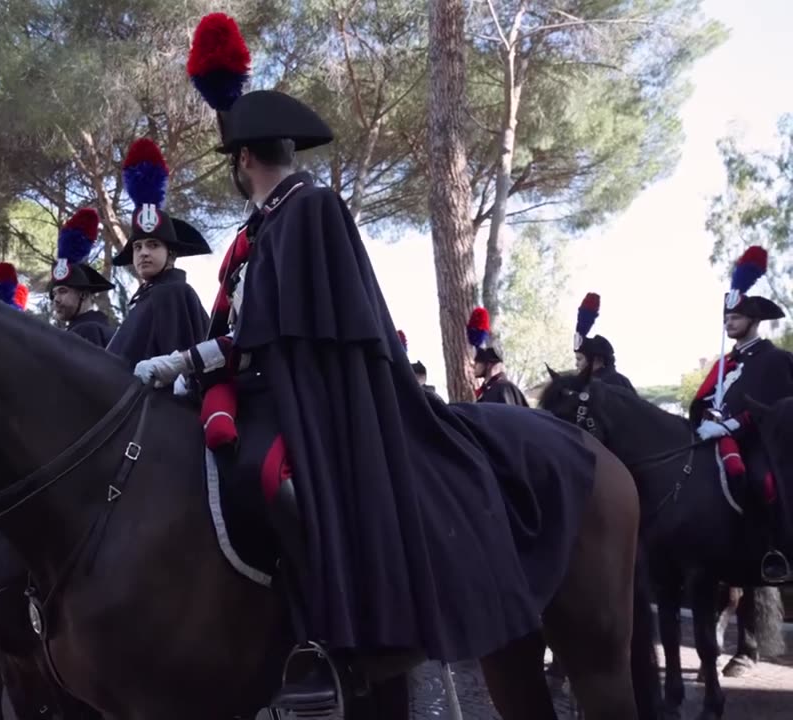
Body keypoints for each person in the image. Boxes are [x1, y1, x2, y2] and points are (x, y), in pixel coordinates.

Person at [137, 14, 578, 710]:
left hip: (313, 396)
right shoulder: (265, 223)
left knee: (269, 473)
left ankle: (325, 638)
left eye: (234, 162)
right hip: (265, 388)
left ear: (246, 160)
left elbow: (268, 330)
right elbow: (247, 324)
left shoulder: (309, 210)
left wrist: (180, 358)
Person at [688, 246, 793, 582]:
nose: (728, 324)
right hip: (713, 439)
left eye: (734, 318)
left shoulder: (774, 359)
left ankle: (774, 551)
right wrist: (707, 418)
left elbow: (776, 407)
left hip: (757, 442)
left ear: (753, 320)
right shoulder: (724, 363)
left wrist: (731, 424)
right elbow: (703, 400)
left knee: (763, 481)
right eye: (726, 319)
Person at [106, 138, 211, 373]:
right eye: (137, 247)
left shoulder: (174, 293)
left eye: (153, 245)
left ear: (171, 253)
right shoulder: (146, 298)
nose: (143, 252)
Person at [48, 208, 116, 348]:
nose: (56, 299)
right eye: (54, 294)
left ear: (84, 295)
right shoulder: (96, 327)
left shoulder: (86, 331)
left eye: (63, 291)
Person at [572, 292, 636, 391]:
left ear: (596, 360)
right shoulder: (586, 382)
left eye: (579, 359)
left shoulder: (615, 381)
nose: (576, 364)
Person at [467, 307, 528, 406]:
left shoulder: (503, 389)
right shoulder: (489, 390)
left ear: (489, 363)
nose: (472, 364)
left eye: (477, 360)